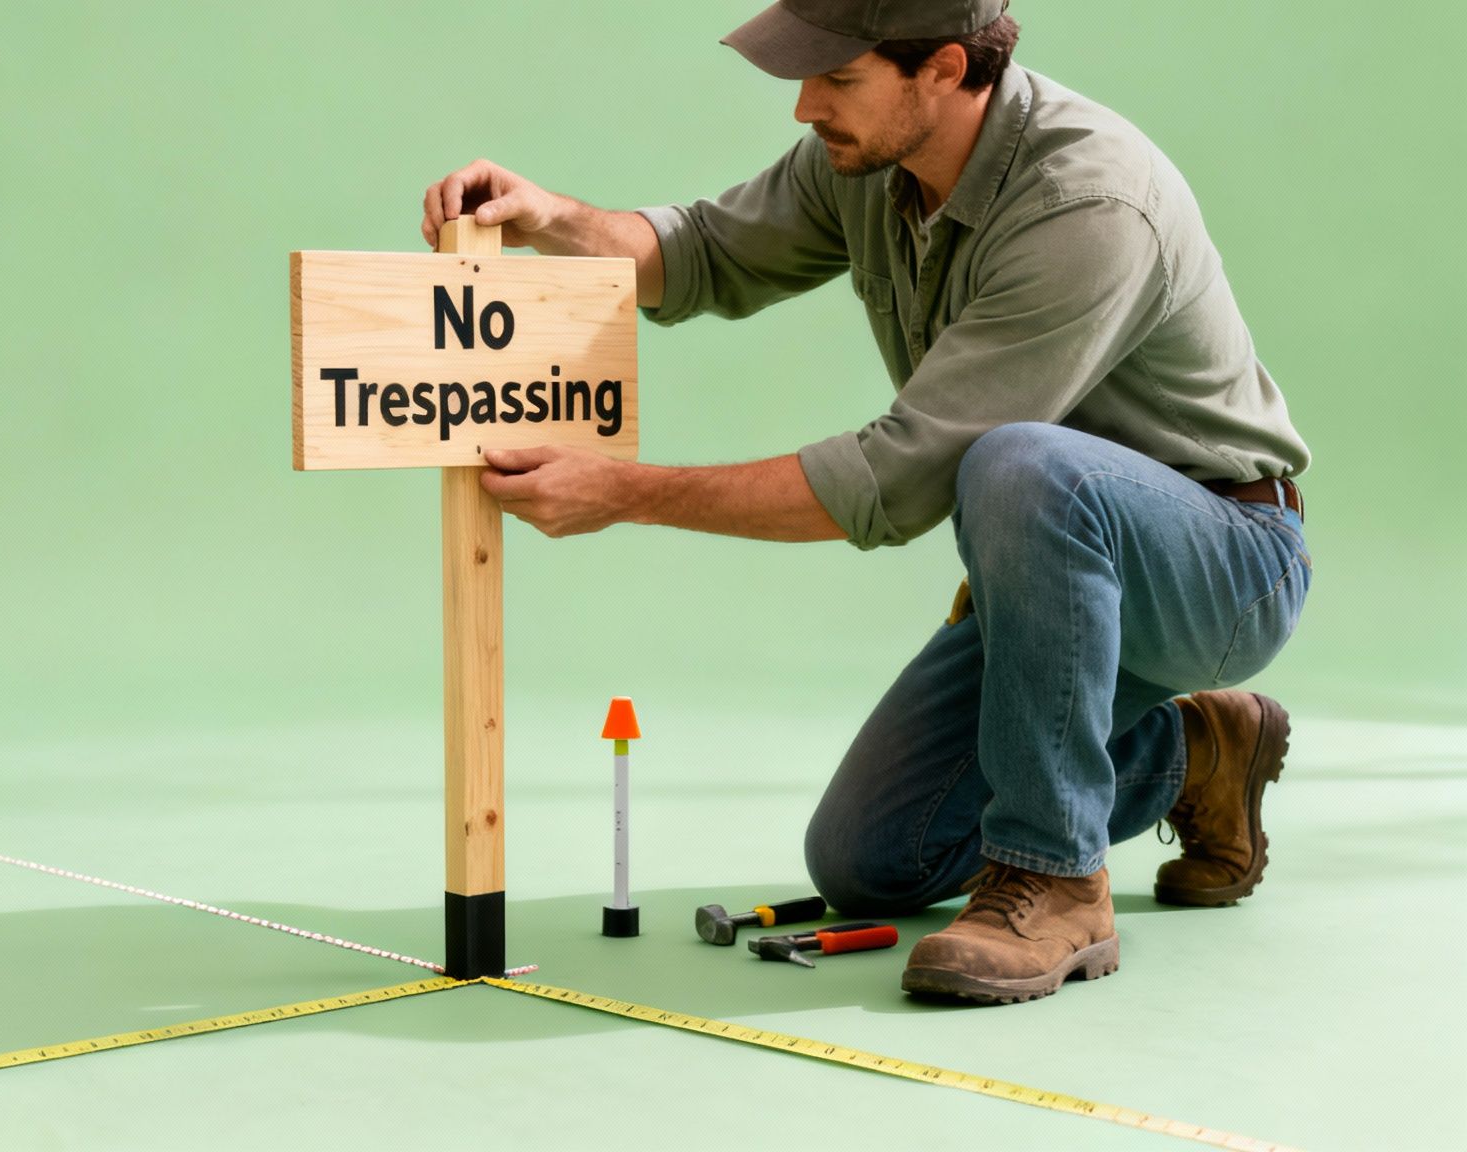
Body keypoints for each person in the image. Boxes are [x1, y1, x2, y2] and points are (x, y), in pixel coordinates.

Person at [419, 0, 1311, 1005]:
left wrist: (624, 491)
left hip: (1223, 561)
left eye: (836, 80)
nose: (804, 106)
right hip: (1049, 575)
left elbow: (897, 480)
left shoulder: (1087, 201)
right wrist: (555, 221)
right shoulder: (871, 160)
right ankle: (1195, 755)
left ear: (941, 68)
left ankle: (1057, 881)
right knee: (868, 859)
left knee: (1015, 464)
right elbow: (704, 251)